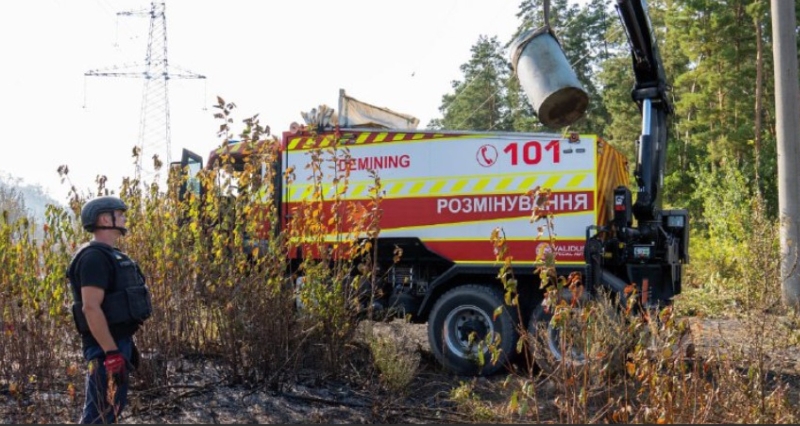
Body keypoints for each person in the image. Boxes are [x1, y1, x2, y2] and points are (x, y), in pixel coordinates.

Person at [66, 196, 153, 424]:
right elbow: (90, 307)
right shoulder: (94, 258)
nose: (124, 217)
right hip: (104, 349)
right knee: (99, 415)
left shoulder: (109, 255)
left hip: (115, 343)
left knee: (109, 410)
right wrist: (112, 353)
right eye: (119, 213)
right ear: (105, 218)